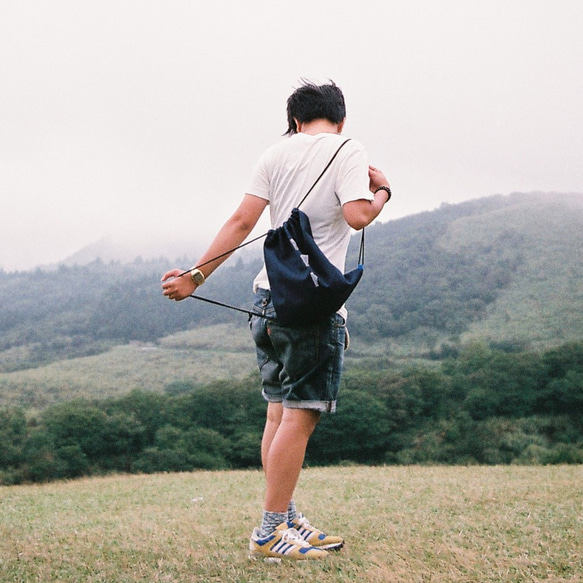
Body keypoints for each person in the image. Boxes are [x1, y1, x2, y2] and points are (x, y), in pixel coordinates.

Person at [161, 80, 391, 561]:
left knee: (277, 413)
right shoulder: (349, 148)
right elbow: (357, 217)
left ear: (294, 121)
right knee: (301, 415)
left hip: (265, 299)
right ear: (341, 119)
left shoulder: (274, 155)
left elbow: (242, 223)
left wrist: (195, 276)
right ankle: (269, 531)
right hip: (310, 307)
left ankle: (284, 519)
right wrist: (384, 191)